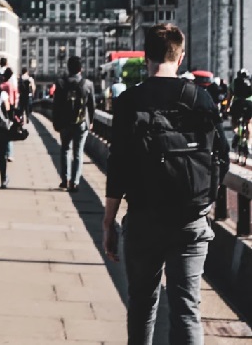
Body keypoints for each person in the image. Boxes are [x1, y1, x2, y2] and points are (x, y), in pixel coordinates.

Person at [103, 23, 229, 344]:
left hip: (145, 217)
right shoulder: (200, 98)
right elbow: (222, 156)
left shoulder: (130, 101)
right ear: (181, 56)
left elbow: (118, 166)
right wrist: (204, 197)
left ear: (146, 57)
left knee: (143, 304)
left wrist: (108, 221)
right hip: (191, 218)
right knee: (187, 309)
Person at [54, 56, 96, 193]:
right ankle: (75, 182)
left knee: (65, 149)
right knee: (78, 153)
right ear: (81, 69)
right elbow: (92, 105)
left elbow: (56, 105)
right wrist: (92, 122)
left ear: (68, 68)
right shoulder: (87, 84)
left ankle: (64, 180)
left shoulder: (61, 83)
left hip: (65, 123)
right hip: (81, 122)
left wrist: (56, 122)